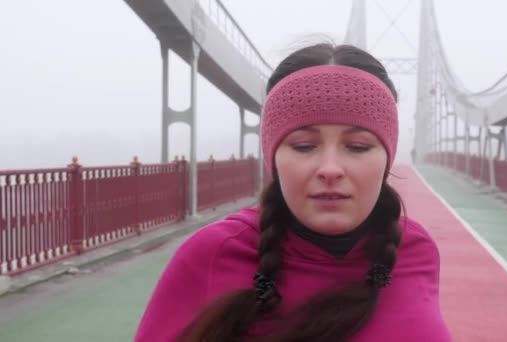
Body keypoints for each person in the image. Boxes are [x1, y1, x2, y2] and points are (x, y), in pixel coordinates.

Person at [135, 43, 451, 342]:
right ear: (273, 158)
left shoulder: (417, 250)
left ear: (387, 159)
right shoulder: (211, 254)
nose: (330, 169)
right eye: (304, 146)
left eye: (357, 147)